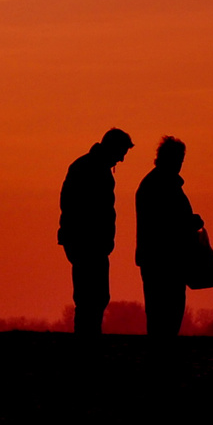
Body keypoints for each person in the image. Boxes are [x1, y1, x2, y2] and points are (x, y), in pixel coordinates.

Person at [59, 128, 134, 337]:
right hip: (88, 244)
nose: (121, 160)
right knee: (91, 296)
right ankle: (87, 340)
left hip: (88, 243)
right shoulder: (92, 169)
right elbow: (77, 207)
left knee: (93, 296)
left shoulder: (87, 167)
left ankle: (88, 339)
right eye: (121, 153)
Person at [136, 136, 199, 337]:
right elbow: (165, 223)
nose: (180, 164)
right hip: (165, 261)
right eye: (178, 159)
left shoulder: (153, 183)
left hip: (157, 260)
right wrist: (191, 223)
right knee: (166, 315)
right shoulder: (162, 185)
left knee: (161, 315)